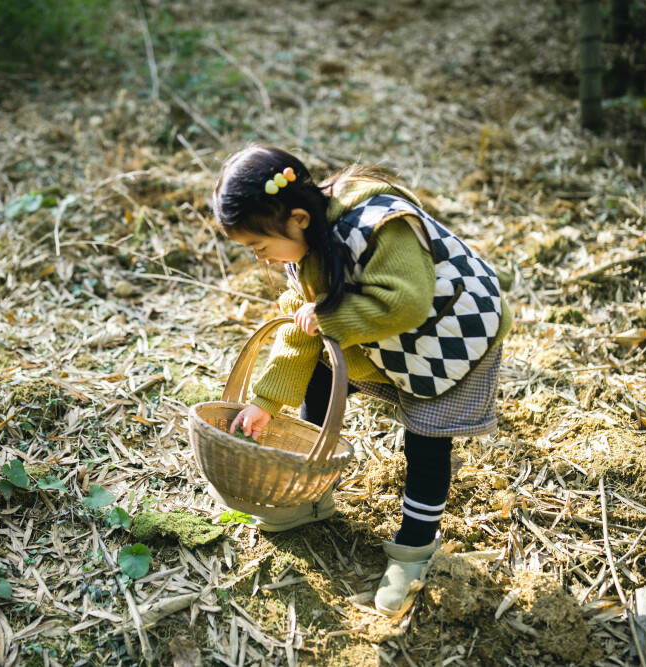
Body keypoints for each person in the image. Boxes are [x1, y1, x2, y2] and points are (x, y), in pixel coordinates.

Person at [210, 145, 513, 615]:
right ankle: (312, 491)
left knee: (426, 436)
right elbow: (302, 331)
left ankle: (415, 547)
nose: (263, 259)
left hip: (452, 334)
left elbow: (407, 304)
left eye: (260, 247)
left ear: (297, 217)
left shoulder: (376, 225)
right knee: (320, 373)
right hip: (385, 334)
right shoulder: (304, 247)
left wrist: (327, 315)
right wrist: (265, 402)